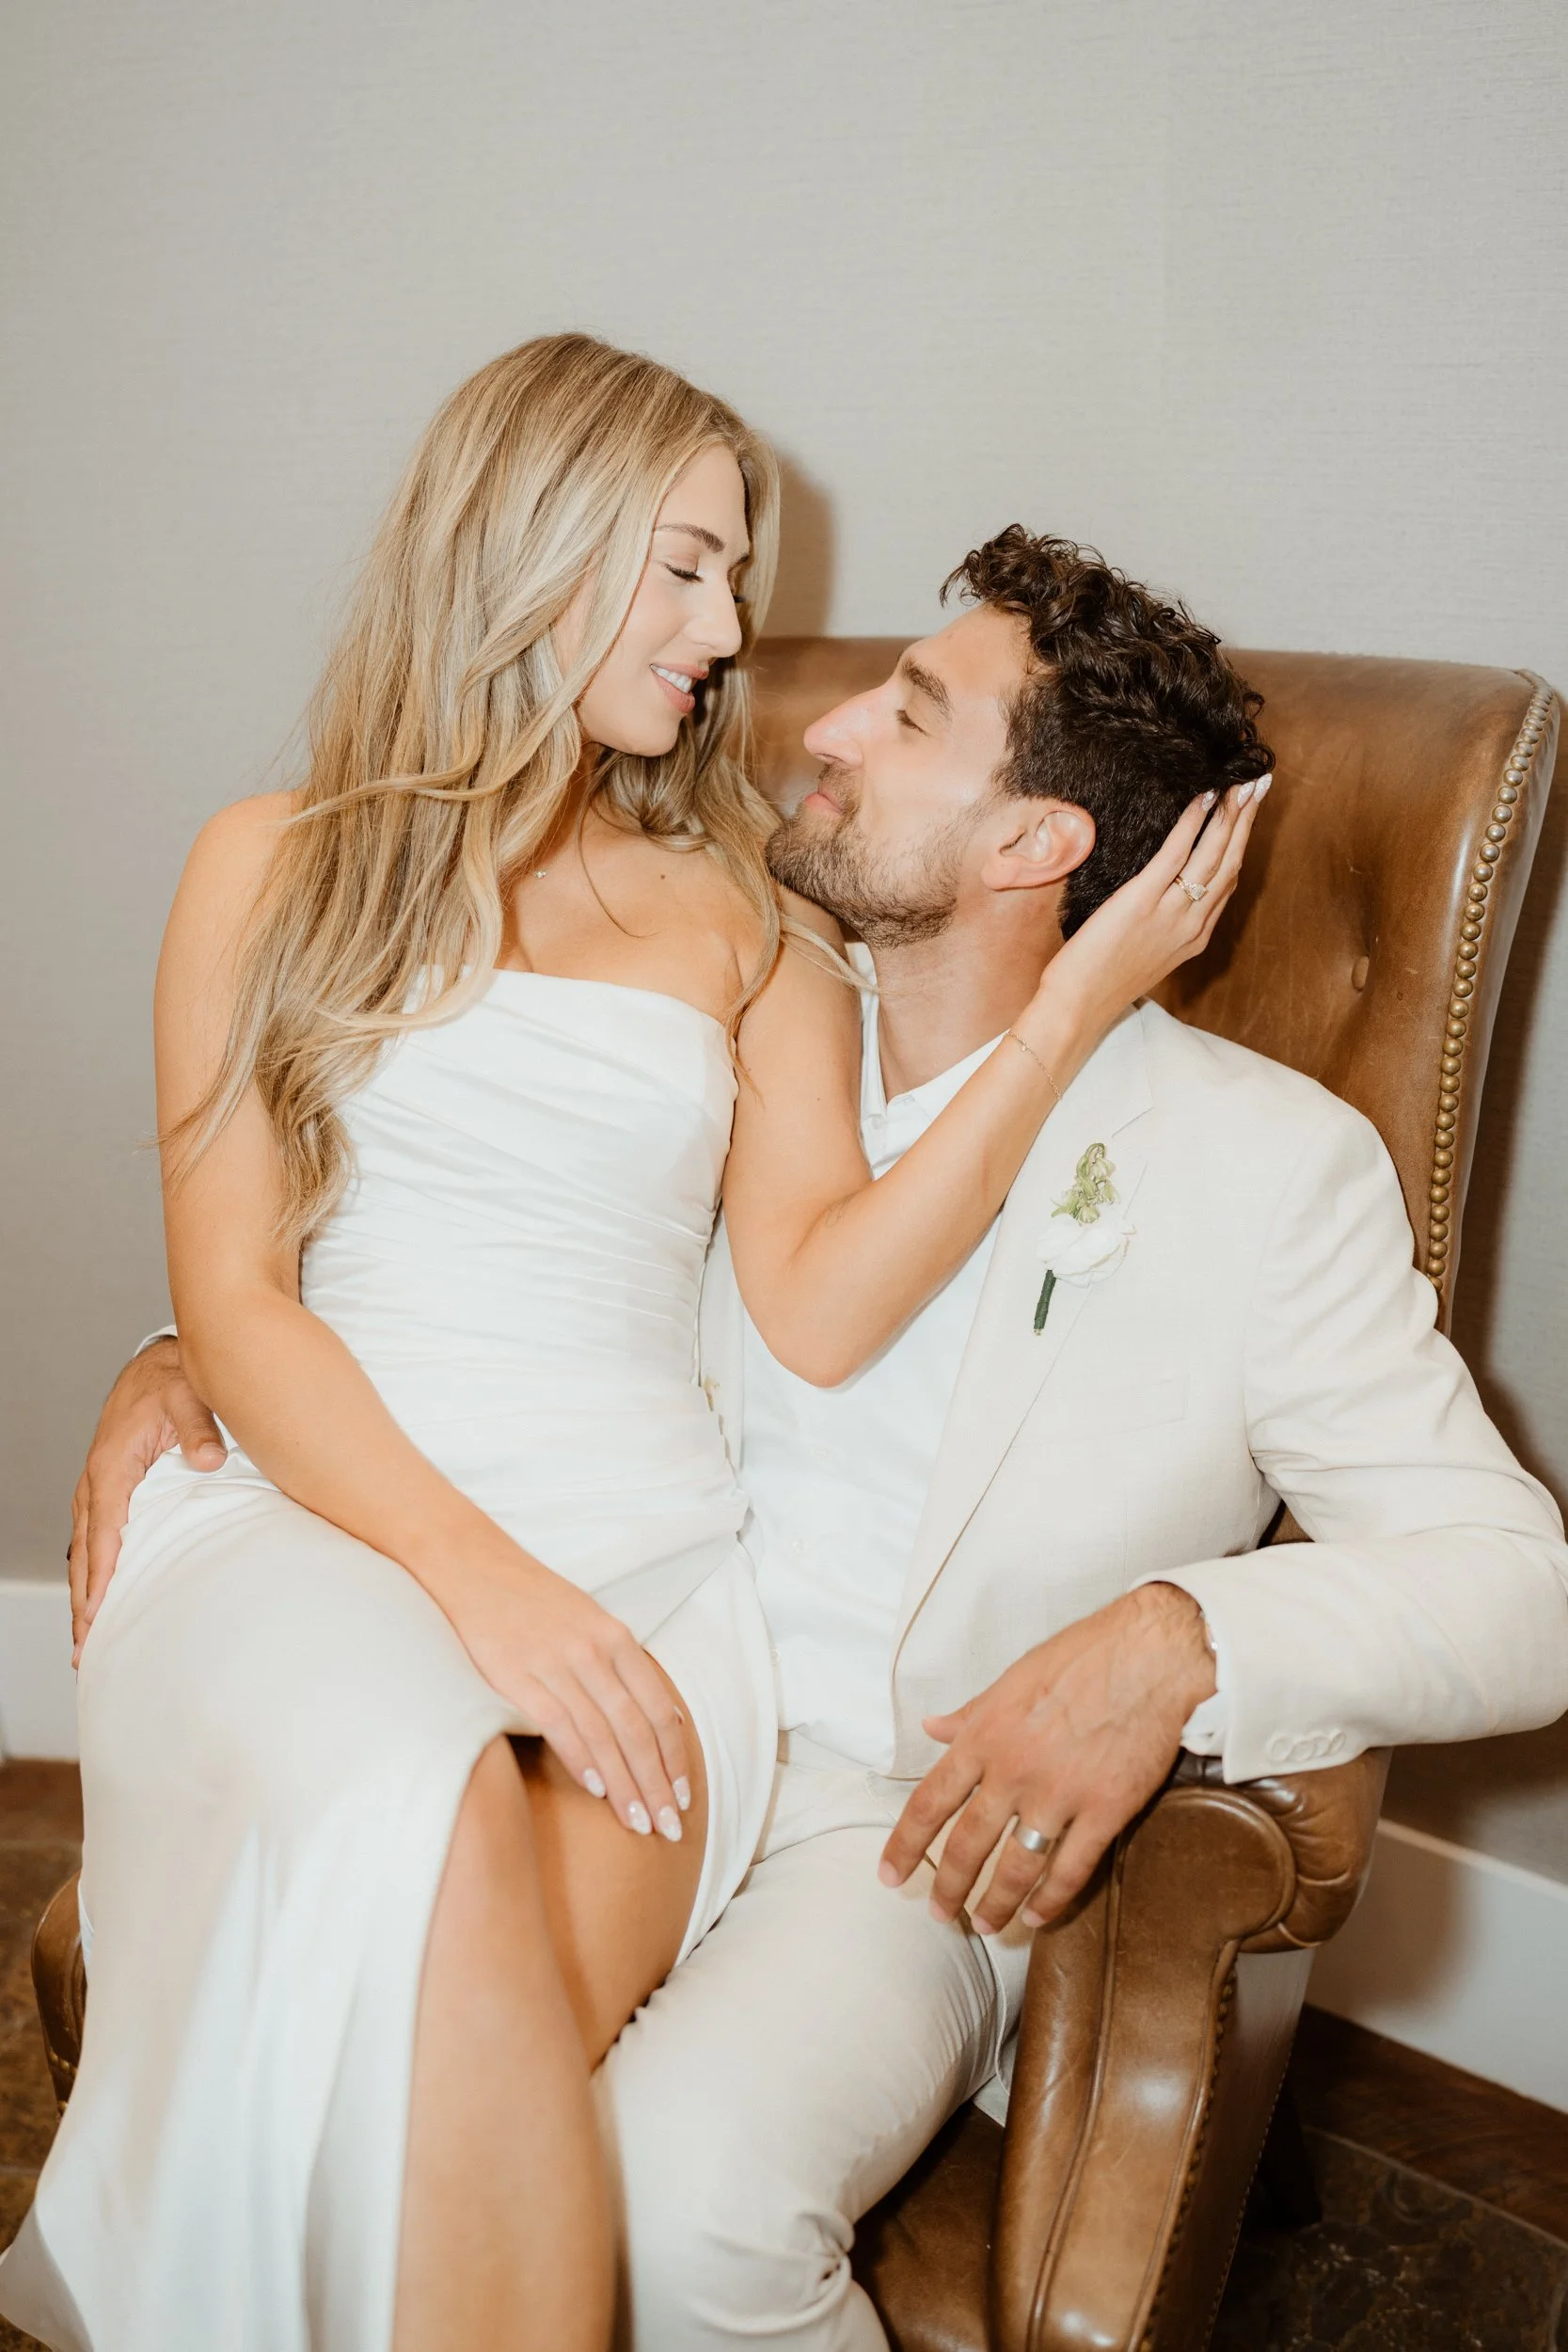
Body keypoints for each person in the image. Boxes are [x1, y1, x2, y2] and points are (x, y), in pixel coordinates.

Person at [68, 528, 1568, 2352]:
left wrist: (1178, 1635)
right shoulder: (708, 1005)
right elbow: (450, 1240)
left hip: (883, 1827)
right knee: (353, 2077)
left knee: (670, 2197)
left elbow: (1519, 1589)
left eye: (910, 710)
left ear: (1032, 844)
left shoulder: (1260, 1171)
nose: (824, 719)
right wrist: (187, 1358)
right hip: (603, 1692)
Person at [0, 341, 1255, 2352]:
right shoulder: (267, 859)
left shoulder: (737, 916)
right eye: (683, 567)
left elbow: (822, 1298)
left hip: (653, 1568)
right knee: (429, 1806)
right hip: (320, 1521)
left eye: (731, 576)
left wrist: (1070, 1012)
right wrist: (480, 1588)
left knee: (446, 2094)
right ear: (530, 542)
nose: (730, 630)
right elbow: (238, 1291)